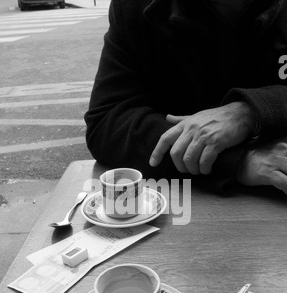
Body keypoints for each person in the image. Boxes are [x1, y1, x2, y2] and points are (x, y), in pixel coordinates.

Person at [85, 0, 287, 195]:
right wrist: (235, 160)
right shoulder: (134, 7)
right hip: (180, 202)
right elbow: (107, 123)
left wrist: (250, 112)